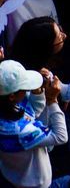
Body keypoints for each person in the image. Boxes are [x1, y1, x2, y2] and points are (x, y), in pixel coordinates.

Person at [0, 59, 66, 188]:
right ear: (12, 96)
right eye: (25, 88)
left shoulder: (7, 106)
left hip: (12, 173)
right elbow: (61, 136)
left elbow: (32, 113)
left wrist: (37, 91)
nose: (27, 91)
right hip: (33, 183)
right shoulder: (18, 131)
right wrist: (52, 101)